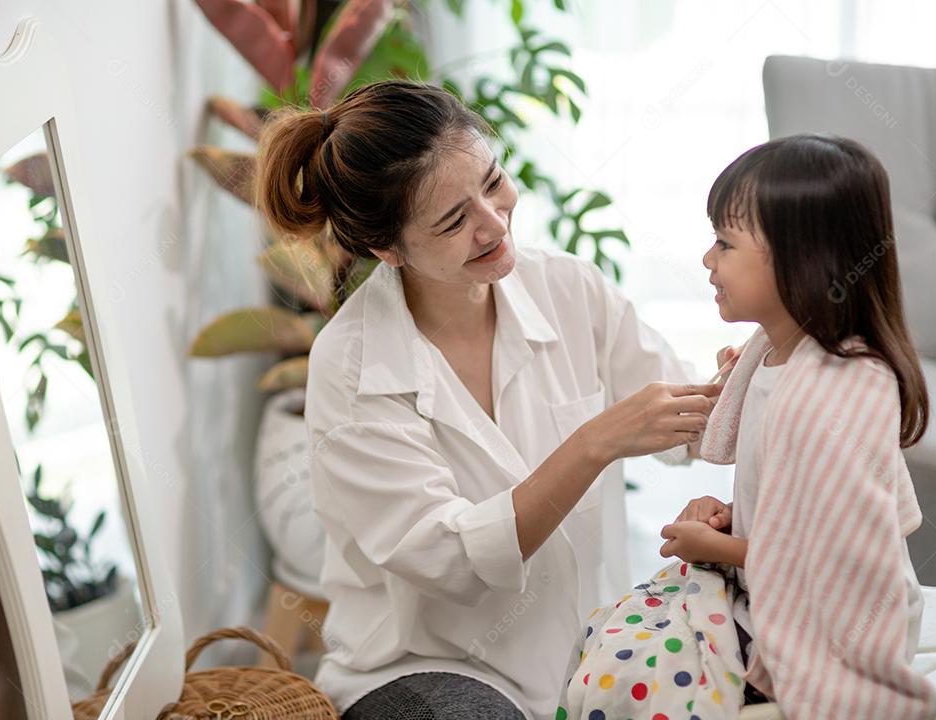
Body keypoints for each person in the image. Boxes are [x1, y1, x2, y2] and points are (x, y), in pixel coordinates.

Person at [255, 80, 720, 720]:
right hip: (431, 667)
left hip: (597, 646)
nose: (494, 223)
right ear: (385, 249)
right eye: (453, 220)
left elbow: (690, 422)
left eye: (493, 182)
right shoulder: (351, 365)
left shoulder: (568, 288)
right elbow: (454, 561)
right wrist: (595, 443)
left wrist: (760, 375)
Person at [571, 134, 936, 719]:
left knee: (630, 667)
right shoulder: (771, 353)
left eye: (724, 242)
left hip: (836, 621)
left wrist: (719, 547)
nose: (706, 260)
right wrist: (729, 520)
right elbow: (791, 506)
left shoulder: (839, 391)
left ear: (802, 258)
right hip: (761, 581)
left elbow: (834, 559)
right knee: (609, 637)